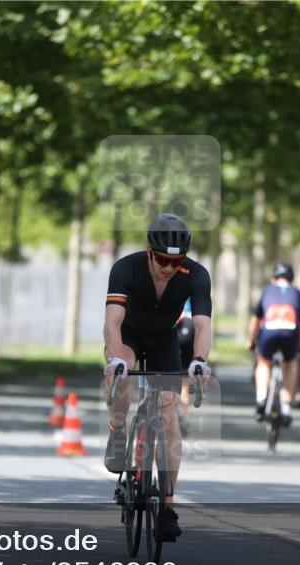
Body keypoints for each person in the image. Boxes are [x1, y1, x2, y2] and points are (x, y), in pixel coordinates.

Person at [103, 213, 212, 541]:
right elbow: (112, 323)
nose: (168, 266)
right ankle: (118, 429)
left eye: (175, 262)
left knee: (169, 419)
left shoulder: (197, 275)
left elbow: (203, 326)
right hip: (129, 335)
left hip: (164, 338)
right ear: (149, 252)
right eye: (162, 259)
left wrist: (199, 360)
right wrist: (115, 358)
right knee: (121, 372)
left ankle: (166, 508)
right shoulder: (126, 268)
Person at [247, 263, 300, 424]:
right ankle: (287, 409)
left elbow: (256, 320)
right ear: (292, 279)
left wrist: (251, 340)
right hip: (290, 332)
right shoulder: (297, 293)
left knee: (264, 363)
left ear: (274, 278)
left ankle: (261, 397)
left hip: (269, 331)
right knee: (290, 365)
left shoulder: (267, 290)